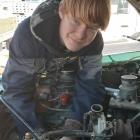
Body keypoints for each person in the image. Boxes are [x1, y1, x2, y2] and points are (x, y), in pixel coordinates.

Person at [2, 0, 111, 139]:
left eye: (92, 27)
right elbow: (15, 92)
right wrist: (36, 134)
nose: (80, 35)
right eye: (76, 21)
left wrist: (73, 128)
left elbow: (90, 85)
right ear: (62, 10)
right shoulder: (27, 36)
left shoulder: (95, 42)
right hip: (30, 113)